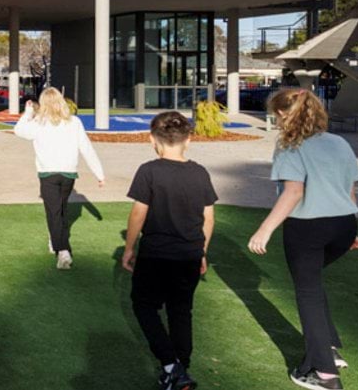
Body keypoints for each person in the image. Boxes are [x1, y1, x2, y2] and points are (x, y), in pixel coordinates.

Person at [248, 88, 358, 390]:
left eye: (276, 115)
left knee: (307, 291)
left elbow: (293, 193)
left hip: (308, 228)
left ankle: (324, 375)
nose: (276, 121)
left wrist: (265, 229)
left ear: (285, 114)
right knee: (312, 282)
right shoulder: (339, 142)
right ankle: (329, 348)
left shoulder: (289, 145)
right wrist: (353, 231)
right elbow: (348, 188)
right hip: (344, 225)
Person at [123, 110, 218, 390]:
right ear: (188, 140)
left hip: (155, 254)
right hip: (188, 254)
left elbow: (139, 212)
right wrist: (202, 250)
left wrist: (129, 247)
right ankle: (180, 369)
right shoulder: (200, 172)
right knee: (180, 310)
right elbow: (208, 217)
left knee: (143, 306)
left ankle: (171, 365)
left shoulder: (149, 170)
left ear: (153, 139)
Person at [13, 87, 105, 269]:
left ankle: (62, 250)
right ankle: (56, 240)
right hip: (68, 174)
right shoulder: (74, 122)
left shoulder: (39, 122)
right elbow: (87, 149)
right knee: (61, 210)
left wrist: (28, 112)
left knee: (54, 212)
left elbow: (19, 130)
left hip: (48, 173)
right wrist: (99, 174)